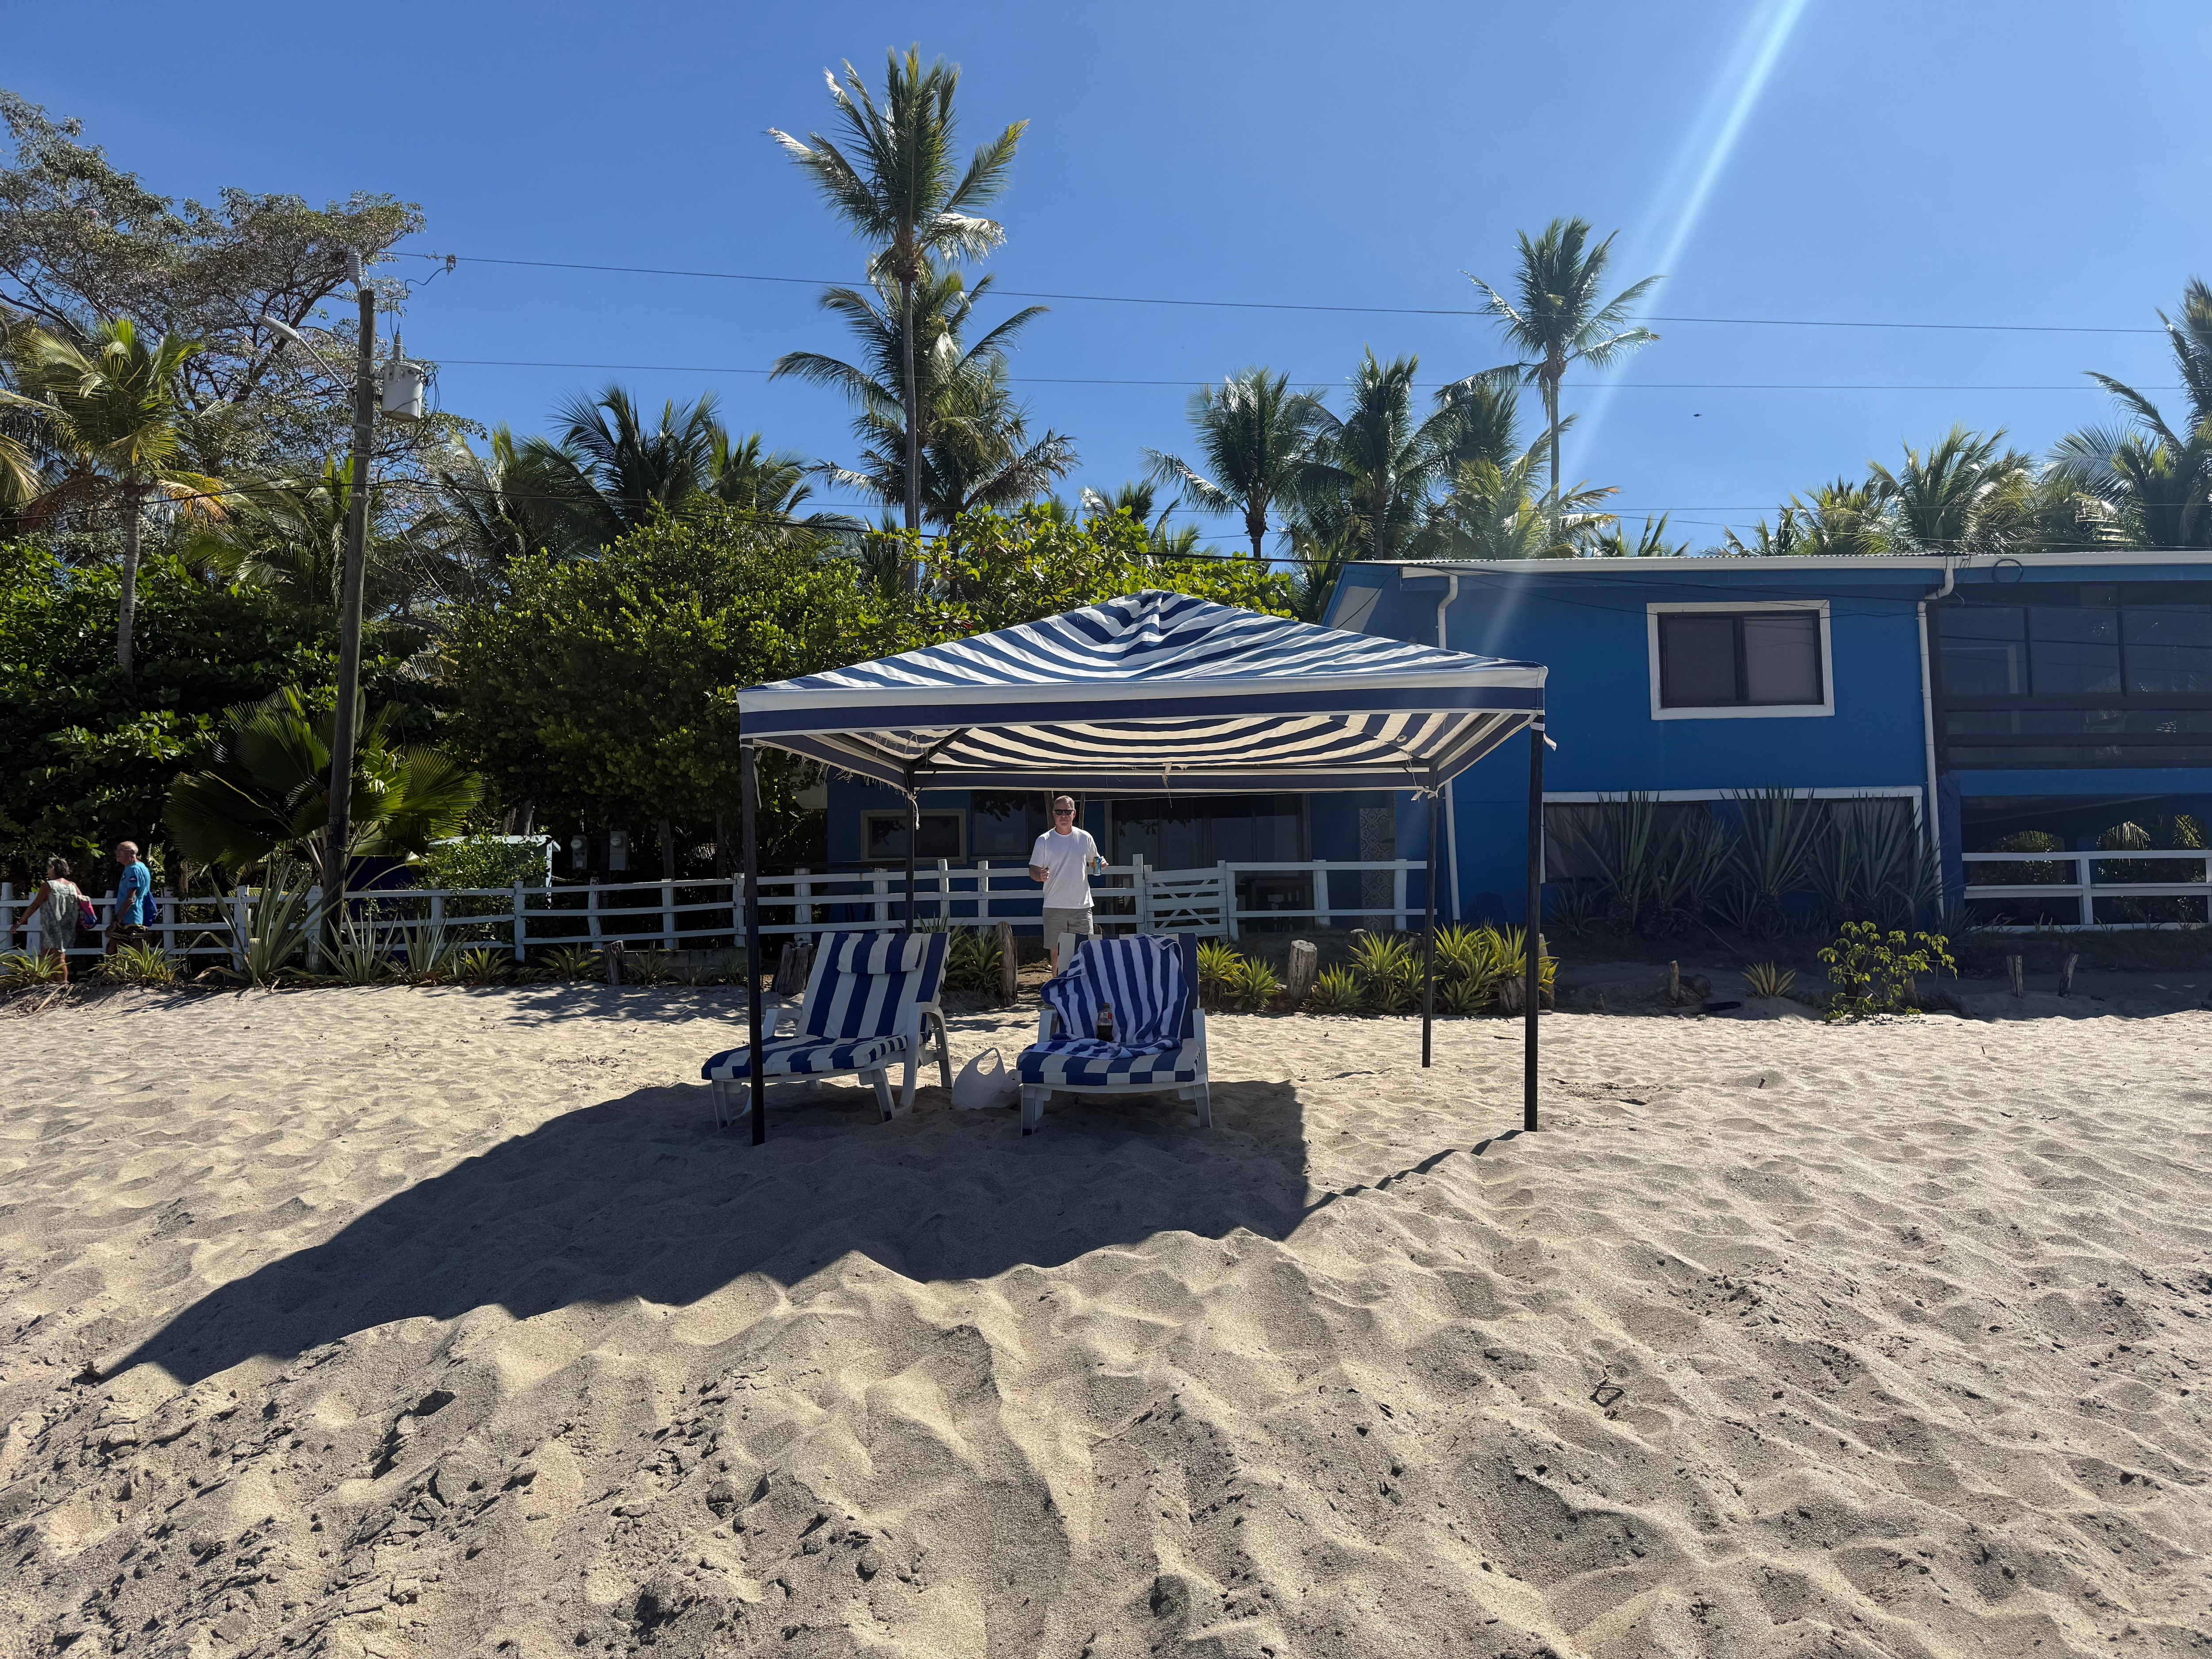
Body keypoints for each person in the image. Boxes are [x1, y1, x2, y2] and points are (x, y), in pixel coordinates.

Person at [1029, 795, 1102, 956]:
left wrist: (1101, 864)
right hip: (1054, 905)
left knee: (1084, 953)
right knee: (1057, 956)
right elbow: (1033, 870)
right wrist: (1039, 875)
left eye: (1067, 812)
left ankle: (1082, 983)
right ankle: (1059, 982)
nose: (1064, 816)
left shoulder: (1085, 837)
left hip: (1082, 907)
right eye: (1060, 812)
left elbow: (1094, 863)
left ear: (1074, 814)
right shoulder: (1044, 840)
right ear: (1054, 814)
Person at [9, 857, 86, 982]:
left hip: (53, 925)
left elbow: (35, 905)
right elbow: (82, 901)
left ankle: (63, 983)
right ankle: (51, 982)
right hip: (67, 925)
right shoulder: (72, 886)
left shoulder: (49, 886)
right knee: (47, 954)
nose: (48, 871)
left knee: (58, 956)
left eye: (49, 868)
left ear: (55, 869)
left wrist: (19, 922)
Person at [108, 840, 153, 953]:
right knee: (115, 946)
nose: (117, 853)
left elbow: (130, 898)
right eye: (117, 850)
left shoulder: (133, 870)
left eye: (121, 851)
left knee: (134, 948)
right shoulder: (140, 867)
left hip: (130, 917)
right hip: (134, 915)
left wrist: (118, 918)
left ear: (131, 853)